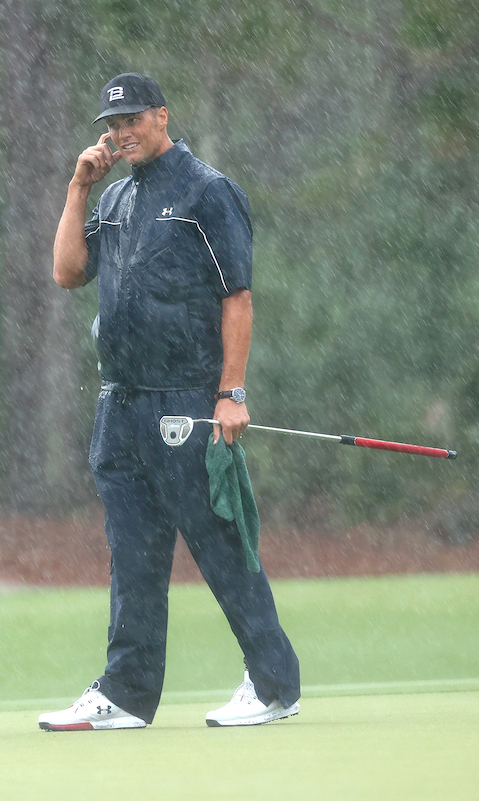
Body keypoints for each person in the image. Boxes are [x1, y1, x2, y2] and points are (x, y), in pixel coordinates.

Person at [39, 73, 300, 731]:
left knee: (217, 544)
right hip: (119, 406)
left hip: (187, 403)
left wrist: (230, 392)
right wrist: (79, 187)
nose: (122, 132)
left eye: (133, 119)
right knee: (133, 554)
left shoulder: (207, 192)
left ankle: (273, 684)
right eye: (113, 123)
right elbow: (68, 272)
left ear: (161, 115)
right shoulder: (119, 195)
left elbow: (236, 297)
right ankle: (127, 692)